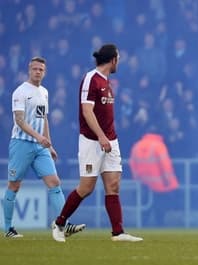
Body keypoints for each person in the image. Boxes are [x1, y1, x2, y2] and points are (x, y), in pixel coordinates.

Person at [51, 44, 143, 242]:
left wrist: (109, 137)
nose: (120, 62)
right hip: (92, 141)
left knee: (113, 185)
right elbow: (86, 111)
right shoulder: (91, 79)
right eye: (119, 58)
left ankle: (118, 233)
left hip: (111, 140)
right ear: (113, 60)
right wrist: (101, 136)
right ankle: (59, 224)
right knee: (86, 187)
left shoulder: (107, 82)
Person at [3, 57, 85, 238]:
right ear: (29, 70)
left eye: (41, 69)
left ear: (45, 72)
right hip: (21, 144)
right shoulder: (20, 92)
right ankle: (8, 228)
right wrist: (40, 137)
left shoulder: (44, 92)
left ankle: (64, 224)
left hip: (40, 147)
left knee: (54, 182)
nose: (38, 72)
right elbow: (19, 120)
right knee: (14, 186)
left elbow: (43, 119)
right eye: (35, 69)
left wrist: (49, 144)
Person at [129, 131, 179, 226]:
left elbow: (133, 164)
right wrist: (169, 181)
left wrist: (137, 180)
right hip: (159, 185)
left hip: (143, 184)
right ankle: (160, 225)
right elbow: (165, 165)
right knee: (159, 208)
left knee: (144, 208)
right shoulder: (159, 146)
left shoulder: (137, 146)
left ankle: (142, 226)